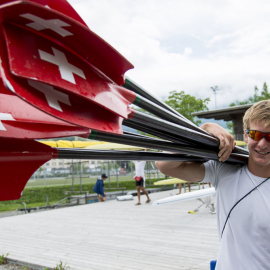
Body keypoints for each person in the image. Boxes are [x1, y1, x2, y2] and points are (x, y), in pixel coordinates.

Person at [156, 100, 270, 270]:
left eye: (269, 136)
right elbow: (165, 165)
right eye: (255, 135)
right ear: (246, 136)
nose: (262, 144)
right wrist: (204, 130)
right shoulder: (225, 171)